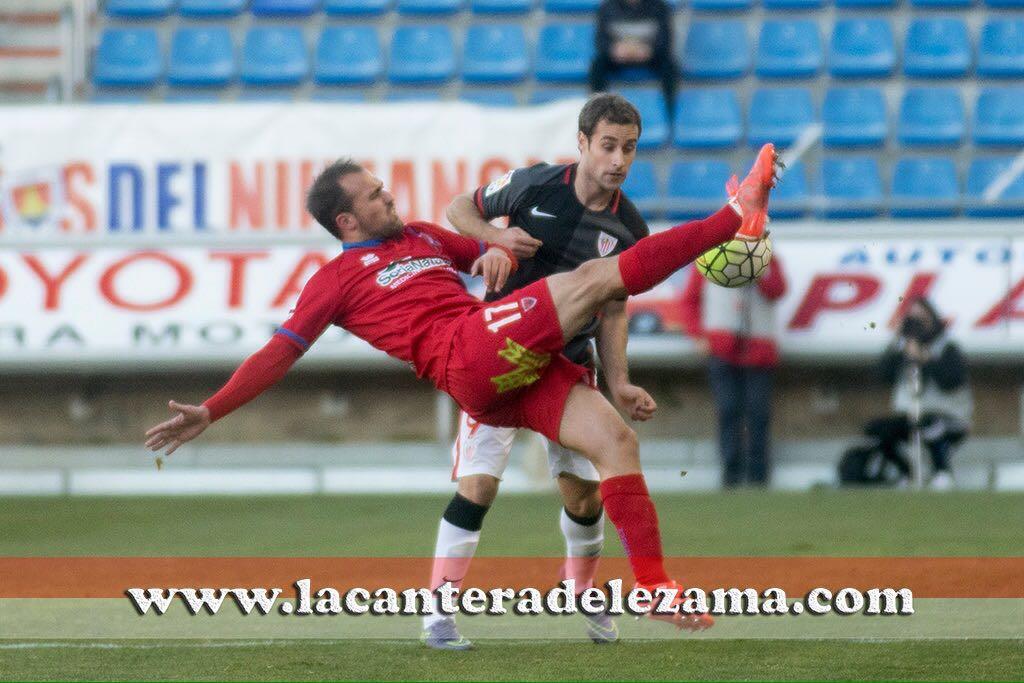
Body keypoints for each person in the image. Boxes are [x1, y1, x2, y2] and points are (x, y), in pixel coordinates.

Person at [145, 142, 779, 640]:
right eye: (372, 195)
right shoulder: (334, 281)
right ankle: (735, 213)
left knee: (616, 441)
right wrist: (211, 408)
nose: (386, 196)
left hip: (506, 368)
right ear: (346, 219)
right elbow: (278, 353)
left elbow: (474, 245)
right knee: (592, 279)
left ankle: (652, 588)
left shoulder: (418, 235)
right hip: (467, 355)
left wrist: (492, 249)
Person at [427, 94, 654, 649]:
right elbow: (460, 206)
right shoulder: (533, 185)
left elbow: (615, 308)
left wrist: (620, 380)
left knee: (583, 497)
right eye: (607, 146)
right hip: (500, 363)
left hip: (568, 368)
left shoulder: (630, 228)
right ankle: (438, 613)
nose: (618, 159)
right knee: (478, 487)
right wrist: (495, 236)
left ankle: (581, 592)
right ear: (582, 144)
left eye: (629, 148)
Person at [680, 253, 787, 488]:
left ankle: (759, 475)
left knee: (758, 412)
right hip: (722, 347)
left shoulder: (768, 259)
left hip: (758, 347)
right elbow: (689, 300)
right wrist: (698, 335)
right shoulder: (708, 259)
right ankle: (731, 473)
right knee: (728, 410)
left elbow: (777, 290)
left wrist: (755, 270)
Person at [843, 298, 972, 490]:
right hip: (910, 415)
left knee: (930, 425)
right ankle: (906, 472)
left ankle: (942, 472)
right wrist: (899, 346)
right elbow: (882, 375)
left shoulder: (946, 348)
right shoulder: (901, 349)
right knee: (879, 430)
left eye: (923, 320)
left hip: (948, 416)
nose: (917, 326)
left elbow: (951, 382)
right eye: (912, 320)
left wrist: (927, 360)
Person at [590, 0, 678, 124]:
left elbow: (665, 40)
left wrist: (650, 51)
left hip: (649, 58)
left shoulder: (659, 7)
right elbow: (601, 41)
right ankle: (595, 114)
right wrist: (614, 50)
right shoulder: (608, 7)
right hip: (618, 58)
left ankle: (671, 115)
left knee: (670, 66)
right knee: (597, 65)